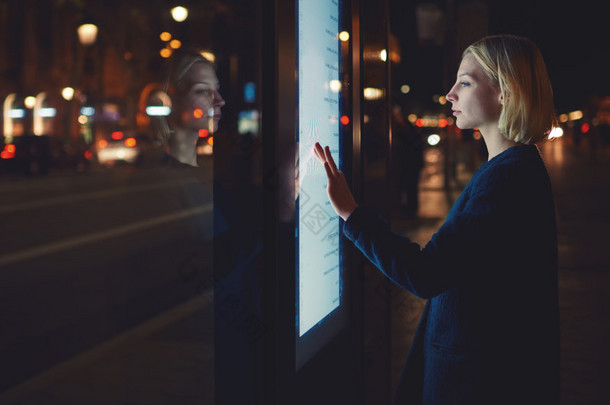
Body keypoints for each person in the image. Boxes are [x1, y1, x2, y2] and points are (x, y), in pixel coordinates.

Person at [314, 34, 559, 404]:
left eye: (465, 82)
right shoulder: (514, 168)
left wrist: (351, 213)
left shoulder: (506, 177)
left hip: (477, 382)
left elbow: (426, 273)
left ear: (505, 93)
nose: (449, 95)